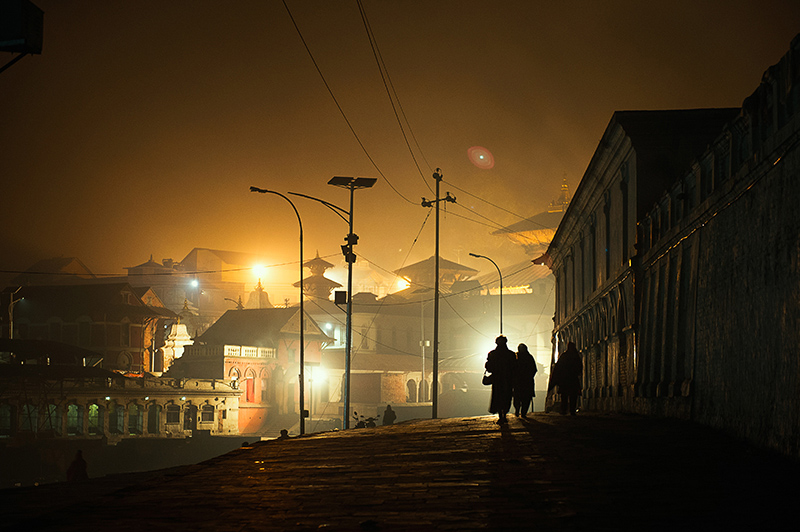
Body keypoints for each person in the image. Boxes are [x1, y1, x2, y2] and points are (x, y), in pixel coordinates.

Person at [485, 335, 516, 423]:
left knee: (498, 397)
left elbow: (489, 367)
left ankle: (500, 415)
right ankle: (504, 414)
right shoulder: (511, 354)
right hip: (508, 379)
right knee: (507, 397)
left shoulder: (492, 354)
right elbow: (514, 367)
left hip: (497, 379)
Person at [553, 341, 583, 415]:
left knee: (565, 396)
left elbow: (558, 367)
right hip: (573, 379)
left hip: (565, 380)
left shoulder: (564, 356)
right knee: (573, 396)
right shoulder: (576, 356)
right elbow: (579, 367)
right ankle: (572, 410)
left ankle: (564, 410)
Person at [513, 343, 537, 417]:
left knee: (517, 397)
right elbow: (534, 369)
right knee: (526, 398)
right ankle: (523, 413)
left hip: (517, 382)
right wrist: (529, 376)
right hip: (527, 382)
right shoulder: (529, 358)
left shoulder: (515, 357)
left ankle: (517, 410)